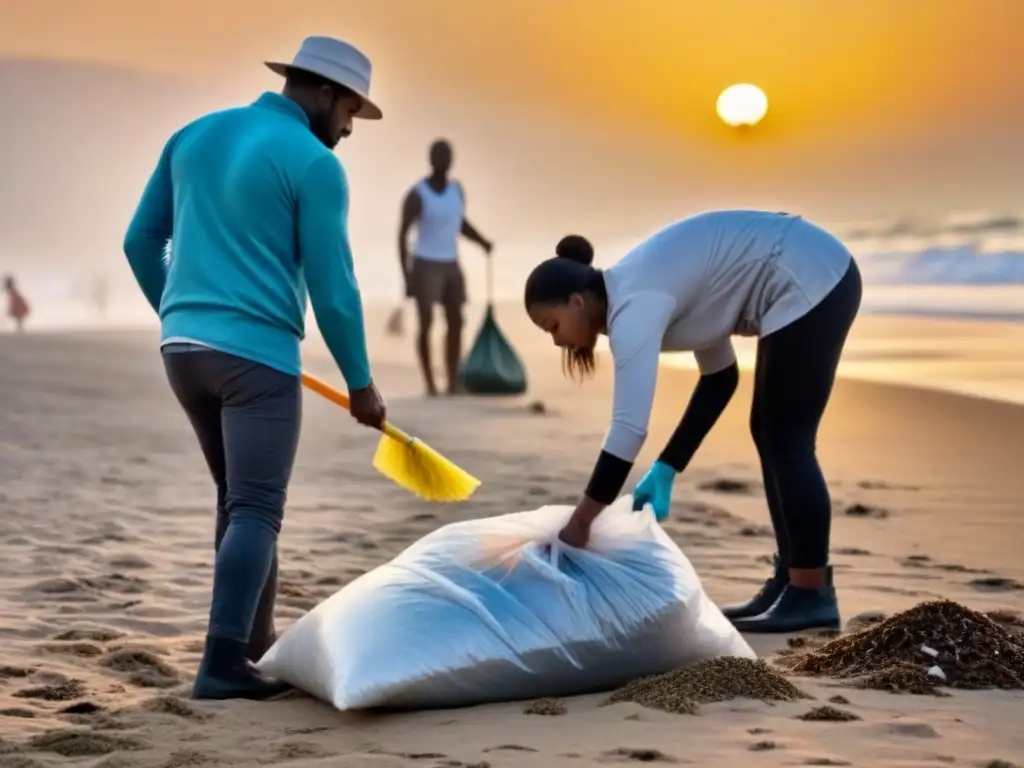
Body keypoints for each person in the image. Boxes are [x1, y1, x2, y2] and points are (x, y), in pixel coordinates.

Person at [123, 36, 387, 700]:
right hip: (257, 359)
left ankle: (253, 645)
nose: (351, 128)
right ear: (326, 93)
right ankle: (219, 665)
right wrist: (360, 382)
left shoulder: (192, 135)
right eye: (352, 110)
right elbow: (334, 290)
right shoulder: (314, 164)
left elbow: (139, 241)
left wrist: (182, 315)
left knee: (240, 503)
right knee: (257, 507)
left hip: (182, 352)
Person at [523, 210, 862, 634]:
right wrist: (668, 466)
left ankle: (810, 593)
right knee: (772, 432)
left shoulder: (633, 306)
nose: (557, 340)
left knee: (786, 437)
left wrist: (581, 523)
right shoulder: (640, 294)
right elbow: (720, 379)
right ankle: (789, 582)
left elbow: (628, 429)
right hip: (804, 272)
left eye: (552, 325)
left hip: (810, 274)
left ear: (577, 301)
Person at [398, 139, 493, 396]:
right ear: (432, 160)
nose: (444, 161)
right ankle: (430, 382)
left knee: (456, 320)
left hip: (451, 263)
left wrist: (482, 241)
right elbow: (403, 234)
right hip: (425, 263)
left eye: (448, 156)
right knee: (427, 322)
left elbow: (459, 223)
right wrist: (406, 275)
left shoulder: (457, 191)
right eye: (440, 156)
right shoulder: (417, 194)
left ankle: (452, 380)